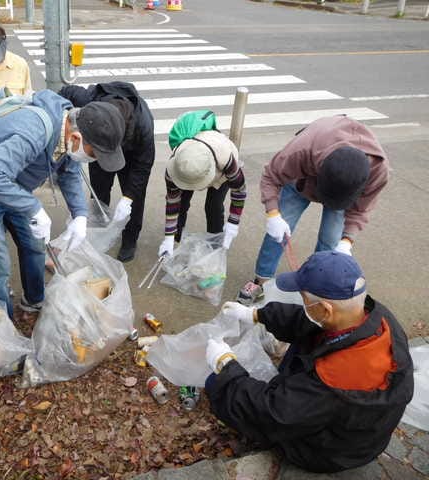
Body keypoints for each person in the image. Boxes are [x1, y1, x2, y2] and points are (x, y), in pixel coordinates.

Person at [204, 251, 413, 473]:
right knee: (308, 338)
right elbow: (308, 321)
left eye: (303, 297)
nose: (302, 303)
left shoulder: (339, 378)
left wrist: (226, 367)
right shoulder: (374, 317)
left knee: (216, 384)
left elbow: (273, 413)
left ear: (326, 309)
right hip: (356, 428)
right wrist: (257, 315)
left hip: (331, 451)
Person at [0, 89, 126, 318]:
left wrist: (80, 215)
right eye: (93, 154)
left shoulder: (69, 133)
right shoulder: (34, 131)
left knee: (35, 245)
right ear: (76, 138)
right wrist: (33, 208)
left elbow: (70, 171)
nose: (92, 160)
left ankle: (34, 301)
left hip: (13, 185)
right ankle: (3, 326)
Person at [237, 115, 390, 305]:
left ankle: (316, 289)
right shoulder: (304, 149)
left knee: (331, 242)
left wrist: (347, 241)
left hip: (345, 192)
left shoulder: (378, 172)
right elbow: (271, 176)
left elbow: (361, 210)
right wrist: (273, 214)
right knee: (279, 233)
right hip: (301, 182)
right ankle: (261, 281)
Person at [59, 81, 155, 262]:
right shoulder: (90, 102)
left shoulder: (143, 125)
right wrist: (63, 125)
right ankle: (96, 231)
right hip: (98, 148)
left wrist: (128, 198)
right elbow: (65, 92)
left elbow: (143, 166)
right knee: (99, 192)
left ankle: (130, 238)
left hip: (132, 156)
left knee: (135, 198)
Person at [157, 110, 247, 257]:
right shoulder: (176, 166)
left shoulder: (226, 156)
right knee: (181, 204)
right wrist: (168, 238)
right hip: (192, 164)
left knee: (213, 206)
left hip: (218, 165)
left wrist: (233, 221)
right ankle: (175, 242)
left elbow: (239, 190)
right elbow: (173, 202)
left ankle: (214, 249)